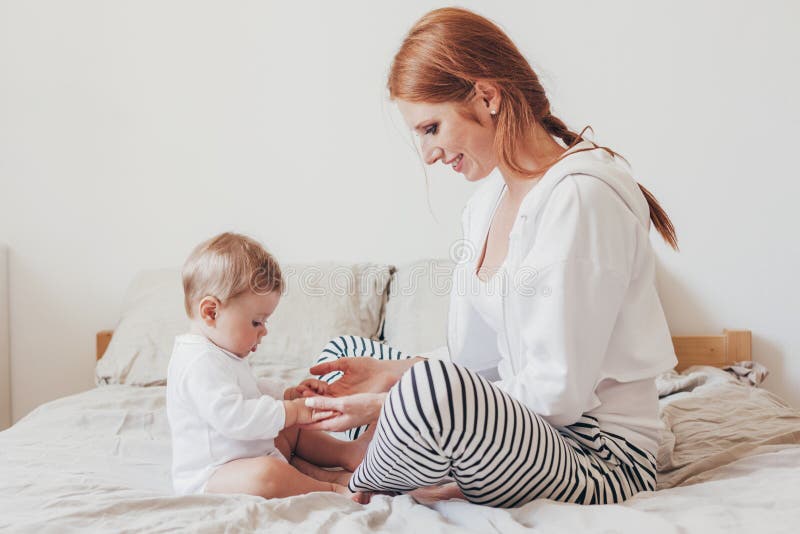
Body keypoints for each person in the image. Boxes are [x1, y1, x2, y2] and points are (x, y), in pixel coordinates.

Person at [298, 7, 679, 508]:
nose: (429, 155)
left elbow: (555, 393)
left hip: (597, 458)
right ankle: (382, 451)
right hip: (521, 430)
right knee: (347, 352)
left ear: (487, 95)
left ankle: (353, 471)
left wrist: (386, 402)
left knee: (427, 391)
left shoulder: (580, 199)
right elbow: (478, 364)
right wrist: (393, 373)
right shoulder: (487, 205)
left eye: (431, 127)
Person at [166, 232, 368, 499]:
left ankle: (348, 455)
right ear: (211, 312)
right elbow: (234, 417)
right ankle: (330, 487)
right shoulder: (198, 362)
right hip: (215, 474)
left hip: (252, 449)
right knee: (267, 474)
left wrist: (286, 395)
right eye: (256, 322)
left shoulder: (221, 351)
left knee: (291, 430)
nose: (264, 332)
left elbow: (249, 388)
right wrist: (291, 411)